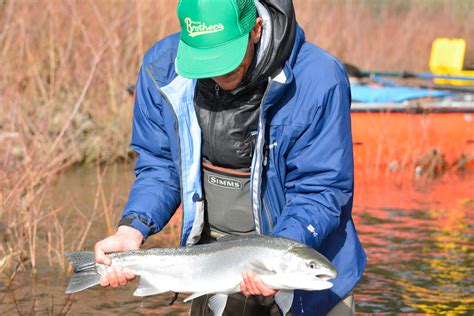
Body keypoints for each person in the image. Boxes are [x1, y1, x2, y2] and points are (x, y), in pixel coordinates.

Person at [94, 0, 366, 315]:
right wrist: (132, 229)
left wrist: (273, 259)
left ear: (255, 29)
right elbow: (160, 166)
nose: (218, 71)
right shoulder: (163, 68)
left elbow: (320, 188)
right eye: (205, 61)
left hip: (308, 267)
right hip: (215, 267)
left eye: (227, 58)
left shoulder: (319, 79)